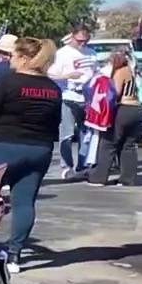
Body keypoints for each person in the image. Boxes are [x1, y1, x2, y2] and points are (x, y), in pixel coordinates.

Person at [0, 37, 63, 272]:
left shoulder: (8, 82)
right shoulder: (53, 88)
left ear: (24, 58)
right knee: (24, 203)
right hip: (39, 149)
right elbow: (55, 123)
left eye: (13, 56)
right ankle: (14, 256)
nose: (9, 60)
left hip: (2, 145)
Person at [48, 25, 100, 178]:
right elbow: (51, 75)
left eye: (85, 41)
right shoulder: (62, 54)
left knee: (86, 133)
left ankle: (83, 165)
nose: (82, 44)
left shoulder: (91, 53)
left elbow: (96, 71)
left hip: (88, 98)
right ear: (72, 37)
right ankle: (66, 166)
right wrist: (68, 76)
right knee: (67, 133)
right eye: (79, 41)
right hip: (69, 97)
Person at [86, 51, 142, 187]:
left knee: (108, 142)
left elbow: (114, 93)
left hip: (123, 108)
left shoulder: (120, 72)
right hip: (136, 109)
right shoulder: (132, 72)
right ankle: (127, 179)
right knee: (128, 145)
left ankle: (99, 177)